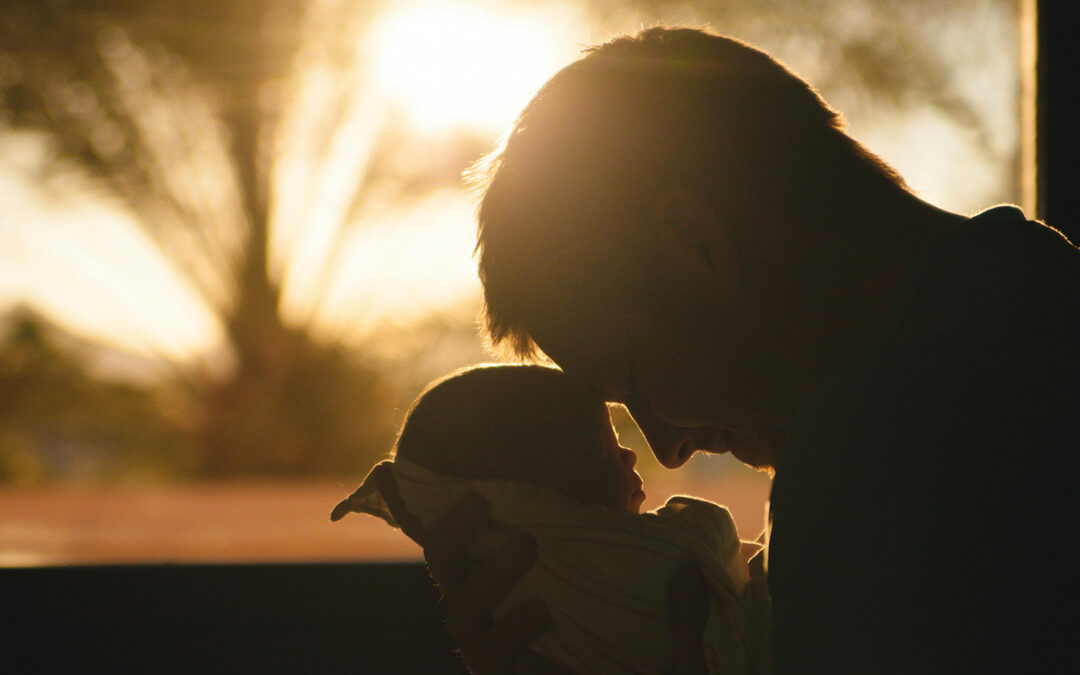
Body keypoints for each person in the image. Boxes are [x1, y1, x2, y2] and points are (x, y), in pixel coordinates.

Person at [396, 26, 1079, 673]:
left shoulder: (879, 457)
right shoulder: (1039, 291)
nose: (665, 448)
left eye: (632, 378)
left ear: (696, 241)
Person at [332, 363, 770, 674]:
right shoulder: (602, 567)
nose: (646, 450)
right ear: (531, 501)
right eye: (602, 453)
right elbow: (710, 536)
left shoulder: (519, 609)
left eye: (646, 373)